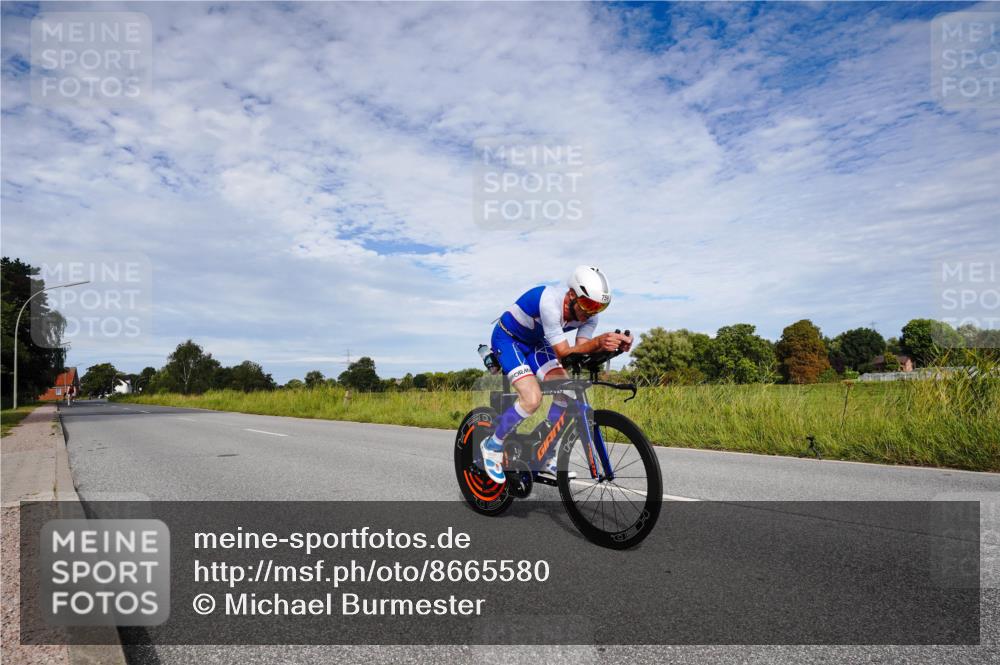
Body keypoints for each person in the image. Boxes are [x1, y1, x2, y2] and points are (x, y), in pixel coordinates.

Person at [481, 266, 632, 484]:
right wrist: (598, 341)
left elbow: (581, 350)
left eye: (599, 307)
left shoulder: (590, 317)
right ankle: (492, 445)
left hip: (536, 343)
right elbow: (563, 352)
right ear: (572, 295)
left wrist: (612, 347)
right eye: (588, 304)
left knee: (567, 391)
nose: (591, 312)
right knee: (532, 399)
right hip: (508, 339)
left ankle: (546, 452)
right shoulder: (549, 301)